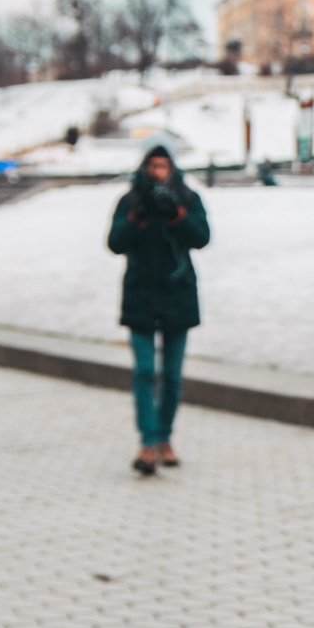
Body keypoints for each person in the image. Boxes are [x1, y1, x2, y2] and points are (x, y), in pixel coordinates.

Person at [107, 144, 210, 475]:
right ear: (144, 168)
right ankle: (148, 443)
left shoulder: (187, 198)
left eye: (164, 166)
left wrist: (176, 214)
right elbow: (115, 243)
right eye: (153, 166)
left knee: (172, 375)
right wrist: (136, 217)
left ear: (173, 169)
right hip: (141, 294)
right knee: (144, 371)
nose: (158, 172)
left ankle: (165, 438)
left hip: (178, 294)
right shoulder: (130, 201)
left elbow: (202, 238)